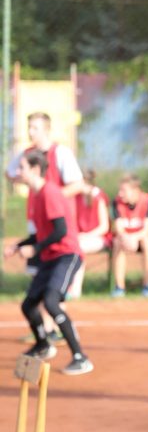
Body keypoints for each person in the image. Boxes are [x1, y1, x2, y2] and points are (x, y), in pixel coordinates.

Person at [3, 150, 94, 375]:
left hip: (66, 255)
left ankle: (80, 357)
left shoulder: (49, 192)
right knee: (28, 305)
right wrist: (18, 246)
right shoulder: (35, 196)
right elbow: (41, 232)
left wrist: (34, 249)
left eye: (22, 167)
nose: (18, 172)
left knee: (52, 303)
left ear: (35, 169)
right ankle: (43, 344)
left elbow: (61, 230)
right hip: (50, 257)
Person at [7, 111, 84, 337]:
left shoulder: (60, 153)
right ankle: (45, 328)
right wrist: (23, 178)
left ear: (47, 129)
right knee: (39, 275)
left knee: (56, 278)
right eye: (29, 127)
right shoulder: (27, 155)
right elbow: (9, 173)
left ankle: (57, 326)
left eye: (35, 128)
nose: (31, 132)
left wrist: (52, 198)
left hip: (56, 223)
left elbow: (77, 184)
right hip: (37, 222)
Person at [68, 168, 111, 299]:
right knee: (69, 246)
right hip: (81, 239)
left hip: (100, 238)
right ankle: (65, 287)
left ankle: (75, 290)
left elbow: (104, 227)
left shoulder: (98, 196)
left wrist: (85, 235)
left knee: (78, 248)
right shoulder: (76, 197)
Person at [111, 173, 148, 297]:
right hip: (125, 238)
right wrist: (127, 238)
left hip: (140, 238)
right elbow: (119, 228)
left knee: (147, 241)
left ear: (135, 190)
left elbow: (147, 229)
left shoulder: (147, 200)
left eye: (123, 190)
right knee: (117, 242)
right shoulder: (117, 202)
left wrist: (134, 237)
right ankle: (119, 287)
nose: (120, 193)